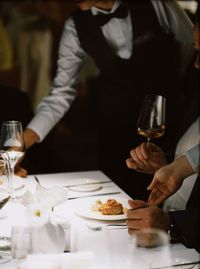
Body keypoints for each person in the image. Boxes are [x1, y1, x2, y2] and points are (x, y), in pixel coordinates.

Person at [22, 0, 194, 198]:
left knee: (173, 198)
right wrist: (23, 141)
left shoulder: (157, 4)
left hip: (168, 128)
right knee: (117, 202)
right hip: (115, 134)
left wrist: (171, 86)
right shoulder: (75, 26)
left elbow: (192, 50)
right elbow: (61, 92)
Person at [127, 12, 200, 252]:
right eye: (196, 50)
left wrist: (172, 224)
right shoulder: (197, 99)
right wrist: (166, 163)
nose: (197, 63)